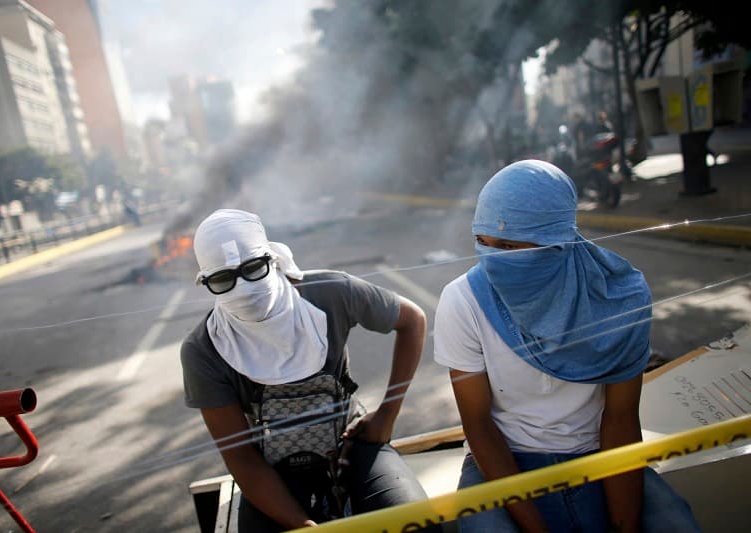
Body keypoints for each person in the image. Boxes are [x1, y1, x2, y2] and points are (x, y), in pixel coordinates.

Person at [433, 160, 701, 532]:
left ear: (555, 240)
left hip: (598, 453)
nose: (493, 260)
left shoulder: (618, 298)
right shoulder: (463, 301)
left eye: (509, 245)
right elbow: (478, 427)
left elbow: (621, 418)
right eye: (482, 242)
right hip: (502, 461)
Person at [180, 208, 431, 532]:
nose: (242, 289)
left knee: (417, 525)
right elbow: (241, 456)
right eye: (223, 279)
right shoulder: (204, 349)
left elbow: (412, 321)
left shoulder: (330, 293)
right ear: (206, 282)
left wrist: (387, 415)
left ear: (271, 258)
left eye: (253, 268)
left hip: (352, 446)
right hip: (270, 468)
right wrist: (302, 524)